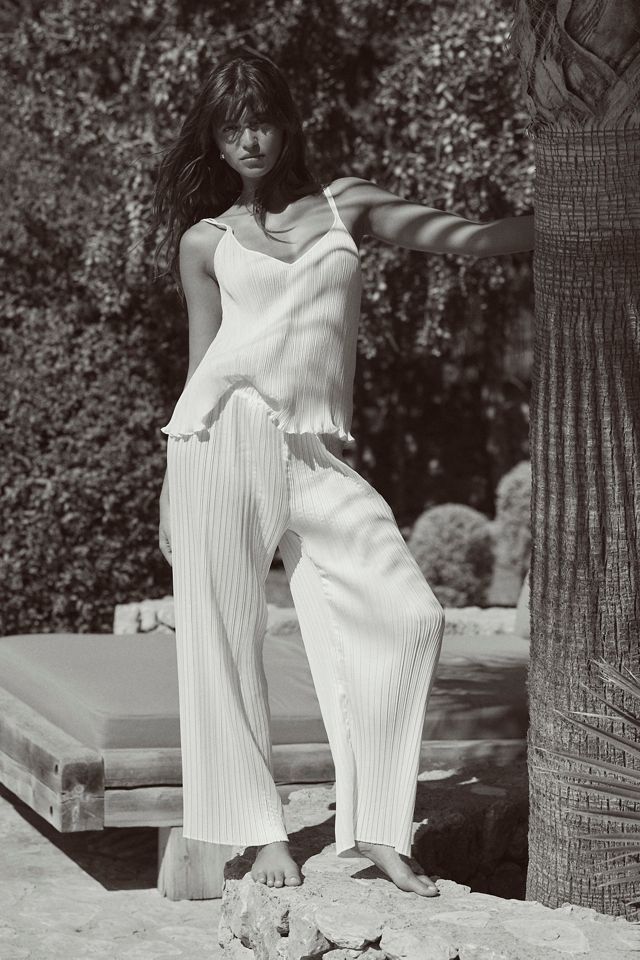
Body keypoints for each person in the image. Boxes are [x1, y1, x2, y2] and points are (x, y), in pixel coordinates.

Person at [152, 52, 534, 899]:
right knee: (223, 642)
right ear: (214, 139)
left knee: (409, 613)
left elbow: (470, 239)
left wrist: (581, 205)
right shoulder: (205, 241)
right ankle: (260, 832)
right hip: (216, 444)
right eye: (231, 126)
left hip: (310, 450)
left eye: (261, 120)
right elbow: (201, 360)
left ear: (287, 124)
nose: (250, 140)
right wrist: (172, 485)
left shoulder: (345, 204)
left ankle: (379, 828)